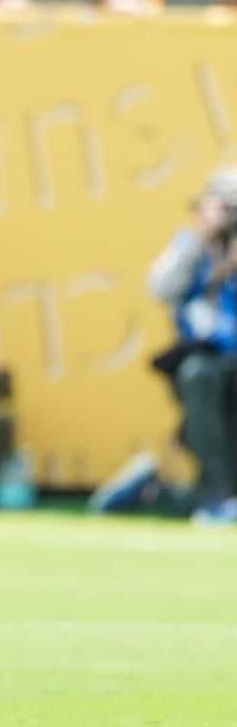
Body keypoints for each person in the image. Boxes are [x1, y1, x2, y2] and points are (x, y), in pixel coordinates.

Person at [126, 170, 237, 525]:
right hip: (207, 363)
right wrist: (202, 243)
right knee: (199, 375)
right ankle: (218, 495)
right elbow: (159, 288)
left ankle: (164, 494)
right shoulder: (189, 248)